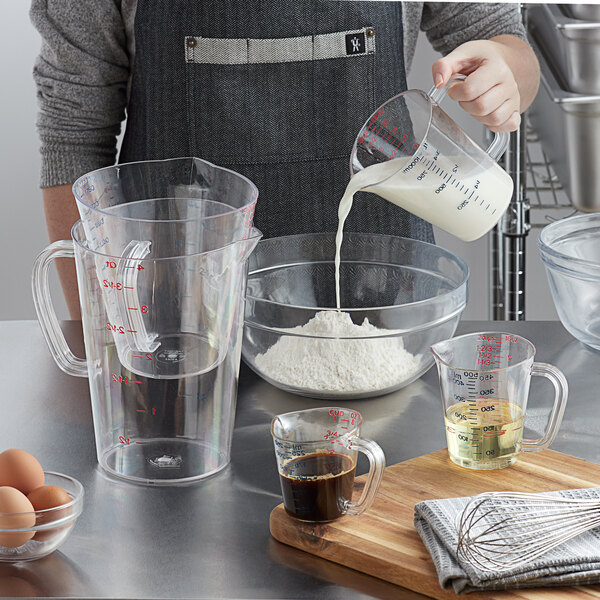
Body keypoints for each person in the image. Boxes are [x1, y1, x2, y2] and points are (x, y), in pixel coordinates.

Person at [30, 1, 539, 318]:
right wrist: (102, 339)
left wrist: (505, 73)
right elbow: (73, 134)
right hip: (180, 341)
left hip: (381, 324)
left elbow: (505, 39)